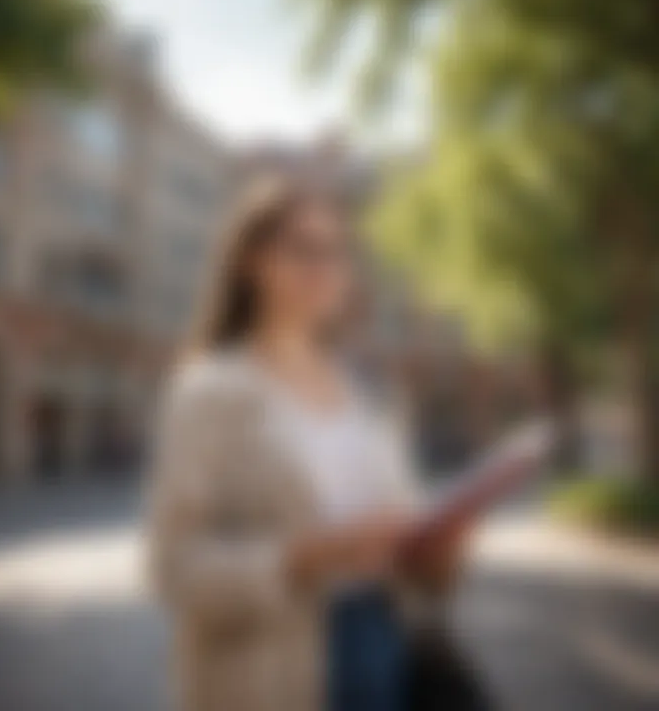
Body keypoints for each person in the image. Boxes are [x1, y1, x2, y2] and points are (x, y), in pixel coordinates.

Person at [148, 178, 487, 711]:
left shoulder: (371, 394)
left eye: (337, 252)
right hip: (268, 672)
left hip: (387, 644)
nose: (325, 268)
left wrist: (435, 555)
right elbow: (173, 570)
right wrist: (301, 559)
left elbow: (408, 550)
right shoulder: (209, 392)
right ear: (250, 261)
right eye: (303, 248)